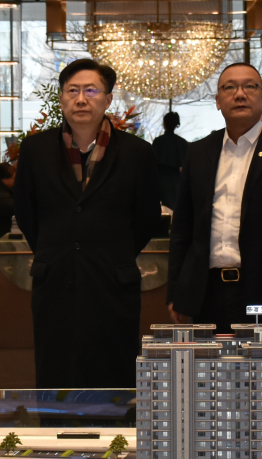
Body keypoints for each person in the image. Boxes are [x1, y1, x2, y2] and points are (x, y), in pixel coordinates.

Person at [12, 58, 161, 389]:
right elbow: (25, 210)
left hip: (112, 282)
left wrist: (114, 254)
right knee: (56, 375)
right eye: (73, 91)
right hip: (54, 281)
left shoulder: (137, 152)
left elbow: (147, 216)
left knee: (114, 377)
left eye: (91, 91)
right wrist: (57, 250)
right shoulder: (36, 149)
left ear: (108, 99)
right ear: (61, 98)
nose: (81, 99)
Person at [168, 63, 262, 332]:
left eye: (250, 86)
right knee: (210, 360)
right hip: (207, 293)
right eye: (229, 87)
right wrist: (176, 292)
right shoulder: (198, 152)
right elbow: (183, 229)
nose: (240, 94)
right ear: (218, 101)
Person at [152, 111, 189, 209]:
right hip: (176, 181)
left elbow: (151, 163)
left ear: (164, 124)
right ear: (176, 124)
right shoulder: (182, 143)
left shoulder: (158, 141)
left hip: (158, 179)